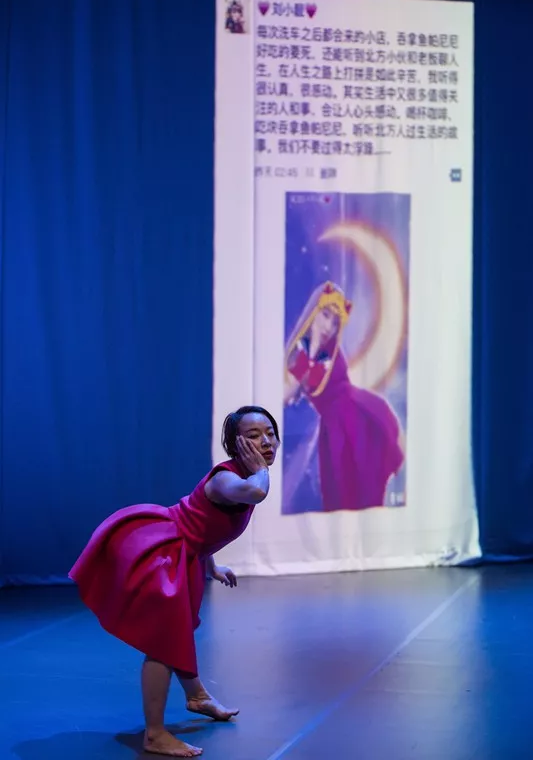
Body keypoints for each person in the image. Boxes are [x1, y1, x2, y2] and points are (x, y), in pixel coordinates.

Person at [69, 406, 280, 758]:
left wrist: (212, 565)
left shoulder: (244, 476)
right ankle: (154, 734)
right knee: (163, 643)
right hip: (163, 552)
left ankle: (197, 696)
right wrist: (261, 469)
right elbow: (254, 493)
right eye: (254, 436)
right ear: (236, 444)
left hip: (189, 555)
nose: (266, 442)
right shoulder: (228, 479)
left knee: (178, 632)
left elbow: (203, 521)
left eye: (270, 433)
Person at [283, 281, 404, 512]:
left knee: (373, 473)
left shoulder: (331, 348)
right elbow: (288, 392)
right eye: (325, 315)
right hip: (336, 427)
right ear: (314, 311)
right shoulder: (299, 354)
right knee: (346, 490)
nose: (329, 326)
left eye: (335, 321)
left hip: (359, 412)